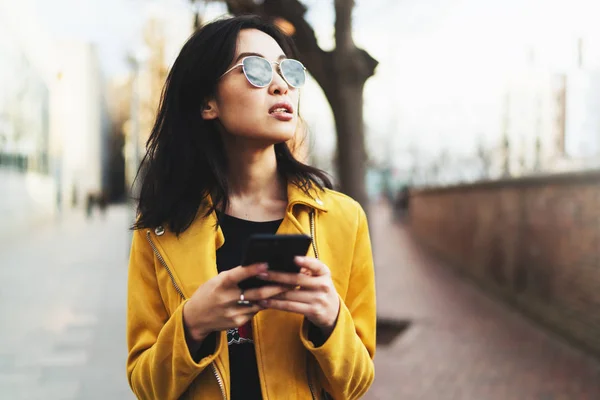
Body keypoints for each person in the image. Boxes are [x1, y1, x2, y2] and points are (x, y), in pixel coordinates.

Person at [126, 15, 376, 400]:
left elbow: (356, 384)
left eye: (288, 71)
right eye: (255, 69)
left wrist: (330, 321)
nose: (280, 85)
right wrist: (192, 325)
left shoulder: (342, 218)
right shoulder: (159, 230)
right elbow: (146, 387)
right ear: (208, 102)